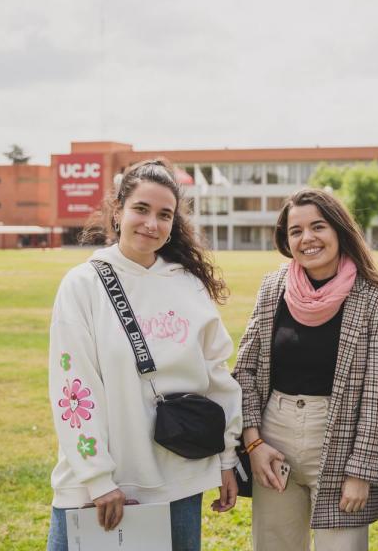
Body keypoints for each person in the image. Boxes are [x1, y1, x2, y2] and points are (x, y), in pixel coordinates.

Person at [46, 160, 242, 551]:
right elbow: (73, 389)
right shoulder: (83, 284)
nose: (152, 223)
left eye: (164, 215)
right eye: (141, 209)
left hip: (179, 474)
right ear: (118, 212)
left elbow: (216, 375)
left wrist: (225, 458)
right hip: (101, 484)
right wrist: (99, 479)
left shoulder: (187, 285)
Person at [232, 188, 378, 551]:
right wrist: (254, 443)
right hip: (273, 438)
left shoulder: (377, 298)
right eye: (296, 231)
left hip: (342, 441)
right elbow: (244, 370)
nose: (307, 238)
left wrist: (361, 473)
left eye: (318, 226)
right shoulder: (272, 287)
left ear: (339, 230)